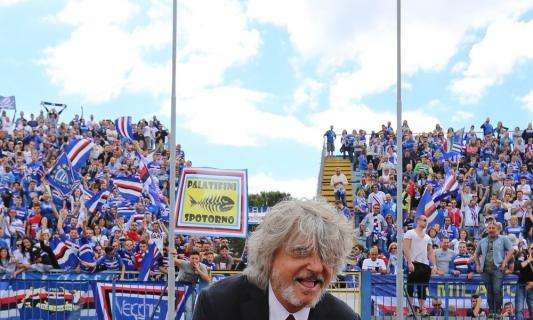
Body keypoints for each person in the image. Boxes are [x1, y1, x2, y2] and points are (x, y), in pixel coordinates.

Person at [192, 200, 360, 320]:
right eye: (301, 252)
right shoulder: (218, 304)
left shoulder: (345, 317)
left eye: (327, 257)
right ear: (269, 256)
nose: (317, 267)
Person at [472, 222, 514, 316]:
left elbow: (511, 250)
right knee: (489, 291)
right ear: (487, 230)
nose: (491, 229)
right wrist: (478, 265)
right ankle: (491, 311)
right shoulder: (482, 241)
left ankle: (498, 311)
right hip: (485, 270)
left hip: (498, 269)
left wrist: (505, 262)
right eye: (489, 228)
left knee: (497, 290)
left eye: (493, 228)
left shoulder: (503, 239)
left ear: (498, 229)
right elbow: (476, 254)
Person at [403, 215, 436, 316]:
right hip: (414, 263)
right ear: (418, 221)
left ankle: (422, 309)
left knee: (423, 288)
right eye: (424, 220)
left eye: (426, 220)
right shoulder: (410, 233)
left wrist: (434, 265)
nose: (426, 222)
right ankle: (409, 310)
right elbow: (406, 248)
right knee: (410, 287)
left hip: (425, 265)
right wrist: (409, 262)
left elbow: (430, 251)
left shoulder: (427, 237)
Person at [513, 244, 533, 320]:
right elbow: (516, 266)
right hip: (521, 285)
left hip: (532, 286)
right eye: (532, 248)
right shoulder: (523, 256)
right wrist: (528, 260)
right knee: (519, 309)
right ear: (528, 249)